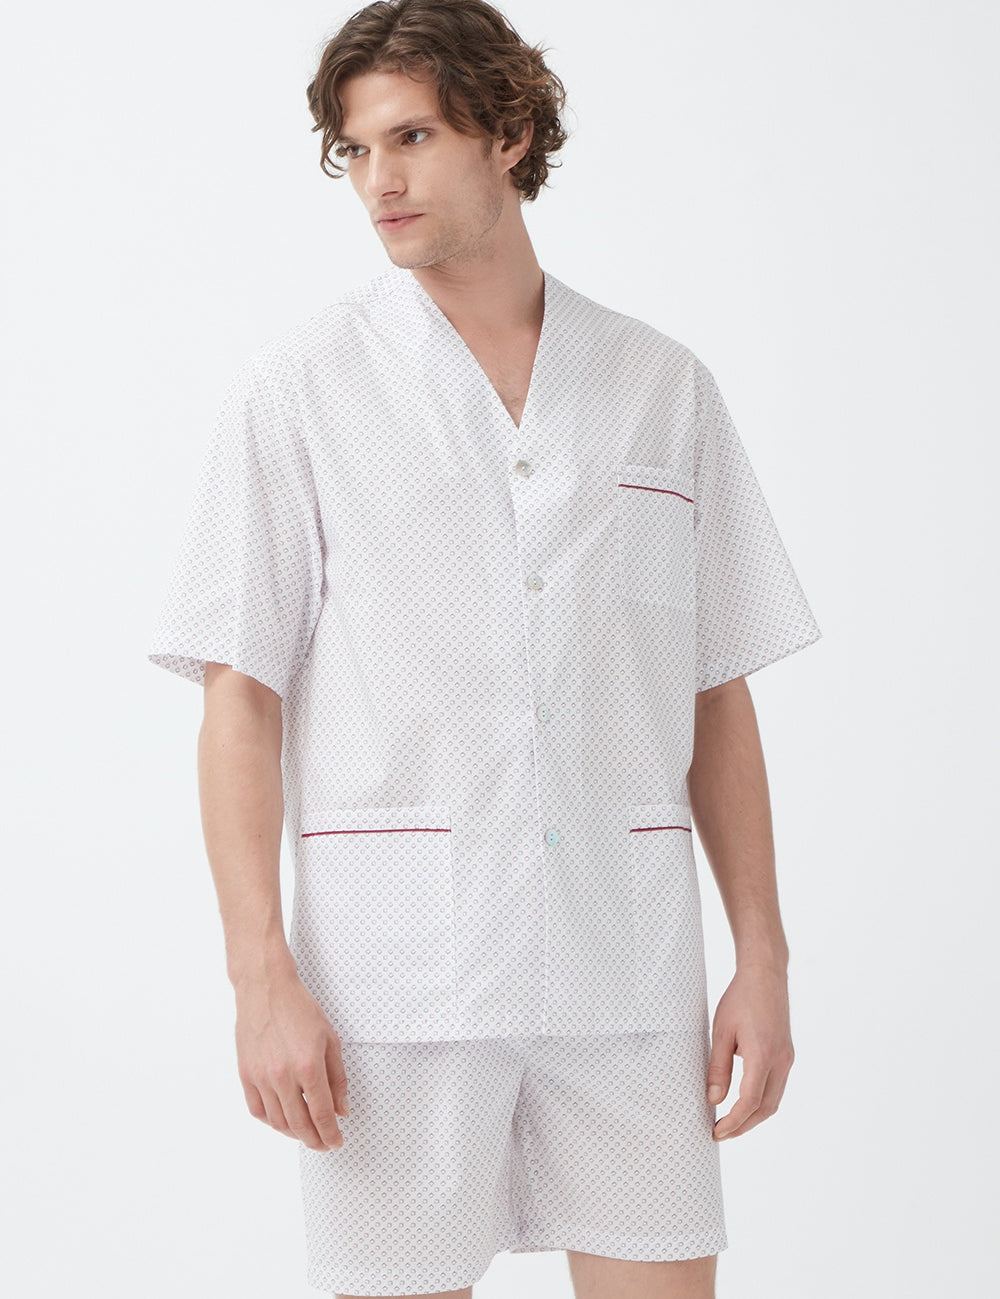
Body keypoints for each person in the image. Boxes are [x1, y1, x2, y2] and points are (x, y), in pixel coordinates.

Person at [146, 2, 823, 1296]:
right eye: (355, 151)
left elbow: (714, 689)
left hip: (629, 977)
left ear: (508, 134)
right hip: (396, 988)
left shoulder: (660, 388)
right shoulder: (301, 391)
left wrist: (765, 958)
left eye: (412, 137)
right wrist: (259, 976)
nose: (379, 181)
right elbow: (241, 696)